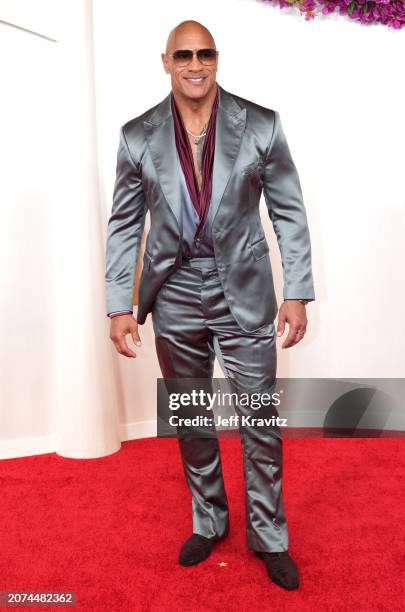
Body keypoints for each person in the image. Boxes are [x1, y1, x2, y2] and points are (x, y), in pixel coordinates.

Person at [105, 20, 315, 590]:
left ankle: (269, 536)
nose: (195, 64)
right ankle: (210, 519)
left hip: (243, 289)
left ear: (216, 59)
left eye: (205, 54)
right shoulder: (135, 136)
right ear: (166, 61)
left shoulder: (261, 125)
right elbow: (124, 224)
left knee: (259, 418)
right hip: (172, 292)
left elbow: (288, 212)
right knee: (194, 415)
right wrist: (117, 304)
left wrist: (296, 290)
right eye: (184, 55)